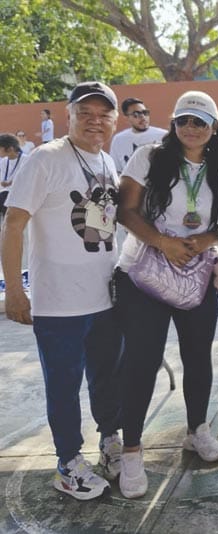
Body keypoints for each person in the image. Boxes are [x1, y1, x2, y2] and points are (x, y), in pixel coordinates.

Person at [1, 81, 123, 500]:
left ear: (114, 119)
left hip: (104, 299)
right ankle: (69, 464)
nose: (95, 121)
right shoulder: (45, 159)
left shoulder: (107, 160)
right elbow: (13, 223)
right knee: (64, 385)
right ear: (67, 115)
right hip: (59, 303)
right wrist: (15, 290)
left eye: (103, 114)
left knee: (107, 379)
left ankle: (110, 444)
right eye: (85, 113)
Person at [114, 91, 218, 499]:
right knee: (141, 362)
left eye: (200, 121)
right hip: (145, 273)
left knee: (198, 356)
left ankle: (197, 429)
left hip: (196, 274)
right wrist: (163, 242)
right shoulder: (148, 156)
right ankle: (130, 450)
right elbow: (125, 210)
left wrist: (202, 240)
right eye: (183, 120)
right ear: (174, 123)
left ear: (214, 128)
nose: (190, 128)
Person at [110, 97, 168, 173]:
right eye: (136, 114)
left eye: (145, 112)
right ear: (127, 118)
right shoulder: (118, 140)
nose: (143, 117)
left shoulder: (164, 136)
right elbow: (116, 170)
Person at [0, 133, 28, 218]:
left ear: (10, 149)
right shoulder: (3, 161)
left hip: (19, 193)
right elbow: (2, 181)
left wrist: (11, 182)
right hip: (5, 193)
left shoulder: (26, 159)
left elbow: (26, 180)